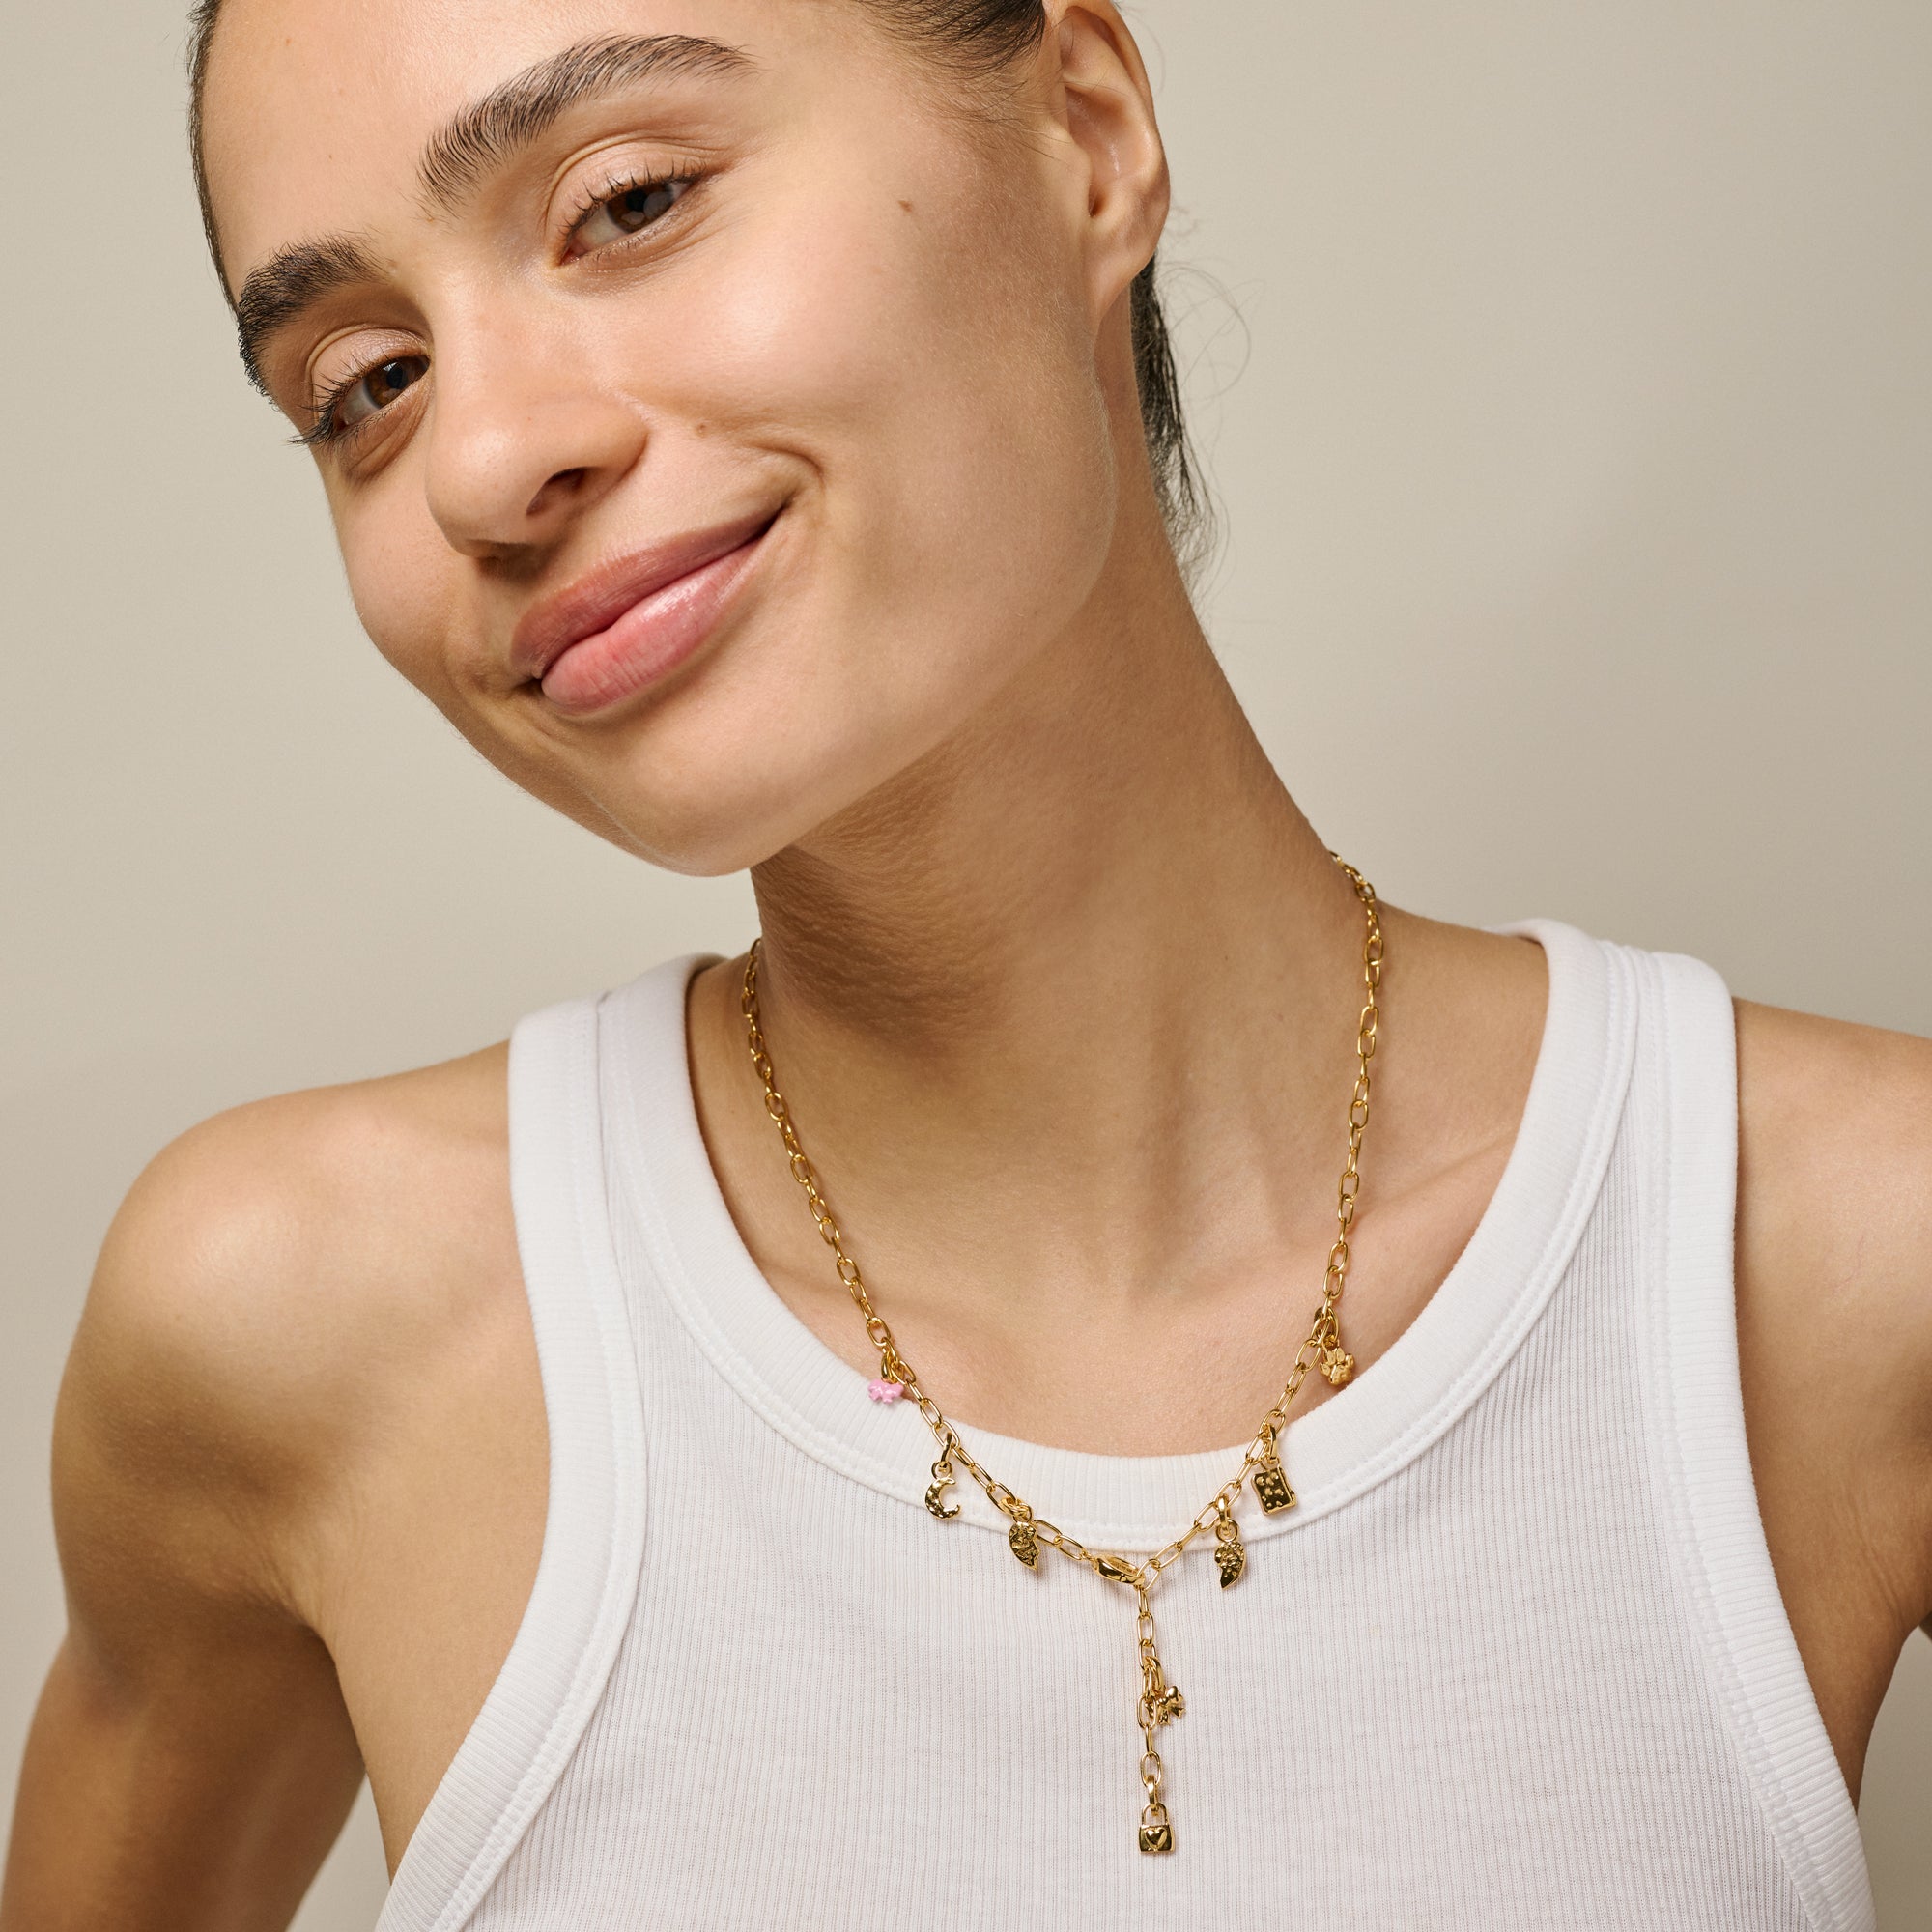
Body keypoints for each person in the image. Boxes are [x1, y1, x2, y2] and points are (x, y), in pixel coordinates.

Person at [3, 0, 1926, 1925]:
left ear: (1085, 134)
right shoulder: (296, 1336)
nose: (483, 462)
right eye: (366, 384)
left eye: (631, 201)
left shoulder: (1846, 1261)